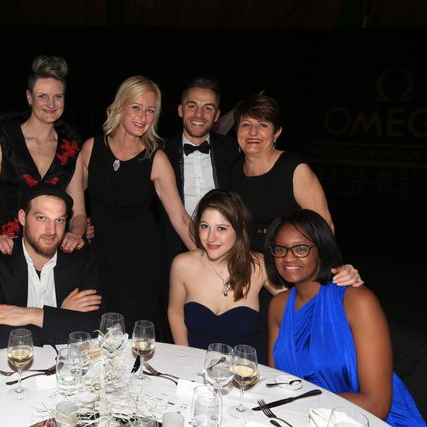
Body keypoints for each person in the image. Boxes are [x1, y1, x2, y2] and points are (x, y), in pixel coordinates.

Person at [266, 209, 424, 426]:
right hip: (299, 417)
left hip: (361, 420)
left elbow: (377, 404)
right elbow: (276, 383)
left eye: (301, 248)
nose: (288, 257)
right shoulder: (278, 305)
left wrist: (300, 407)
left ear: (322, 251)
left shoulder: (357, 301)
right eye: (280, 249)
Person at [168, 189, 362, 363]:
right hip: (198, 370)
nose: (210, 237)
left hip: (246, 374)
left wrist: (340, 275)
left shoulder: (258, 266)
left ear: (240, 230)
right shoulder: (183, 265)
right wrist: (185, 357)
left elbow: (305, 299)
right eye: (204, 226)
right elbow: (175, 312)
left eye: (221, 228)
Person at [80, 75, 196, 334]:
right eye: (136, 107)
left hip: (141, 261)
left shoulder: (156, 158)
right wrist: (75, 226)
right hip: (98, 256)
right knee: (98, 329)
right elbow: (70, 202)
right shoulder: (91, 148)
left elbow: (179, 218)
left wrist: (209, 260)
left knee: (137, 331)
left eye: (150, 110)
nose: (143, 117)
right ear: (120, 106)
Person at [0, 54, 86, 256]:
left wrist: (76, 234)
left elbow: (78, 213)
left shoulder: (71, 149)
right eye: (42, 96)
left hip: (52, 250)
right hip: (5, 248)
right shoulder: (1, 142)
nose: (51, 104)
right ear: (29, 97)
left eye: (58, 97)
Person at [0, 183, 104, 349]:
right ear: (22, 218)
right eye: (42, 218)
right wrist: (60, 316)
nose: (51, 230)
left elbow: (97, 325)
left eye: (59, 220)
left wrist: (34, 315)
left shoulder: (80, 258)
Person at [229, 93, 333, 253]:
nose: (253, 132)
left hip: (289, 259)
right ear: (237, 130)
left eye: (262, 125)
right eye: (246, 125)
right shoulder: (235, 171)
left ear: (276, 133)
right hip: (246, 259)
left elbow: (324, 226)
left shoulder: (293, 168)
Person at [160, 75, 241, 263]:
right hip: (173, 255)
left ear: (217, 115)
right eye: (192, 106)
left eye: (208, 108)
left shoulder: (233, 151)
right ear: (180, 110)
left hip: (226, 252)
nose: (199, 114)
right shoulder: (161, 154)